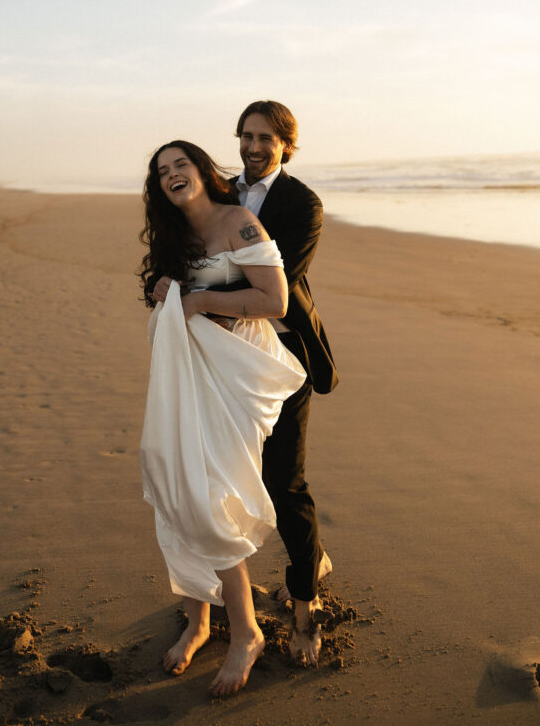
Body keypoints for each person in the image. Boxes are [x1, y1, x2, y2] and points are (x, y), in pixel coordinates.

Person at [153, 101, 338, 666]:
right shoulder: (221, 191)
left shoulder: (301, 204)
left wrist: (187, 290)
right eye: (246, 136)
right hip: (216, 357)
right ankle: (211, 604)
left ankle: (305, 605)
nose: (254, 147)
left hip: (279, 352)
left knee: (285, 483)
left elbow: (270, 279)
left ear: (286, 143)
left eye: (266, 138)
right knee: (208, 478)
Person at [139, 141, 306, 697]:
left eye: (180, 165)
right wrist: (167, 292)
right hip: (187, 372)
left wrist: (198, 301)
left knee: (210, 497)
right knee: (177, 484)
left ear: (203, 171)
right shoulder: (174, 237)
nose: (172, 176)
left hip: (234, 376)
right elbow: (168, 296)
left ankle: (247, 633)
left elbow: (275, 300)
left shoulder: (239, 223)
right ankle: (198, 619)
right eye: (162, 172)